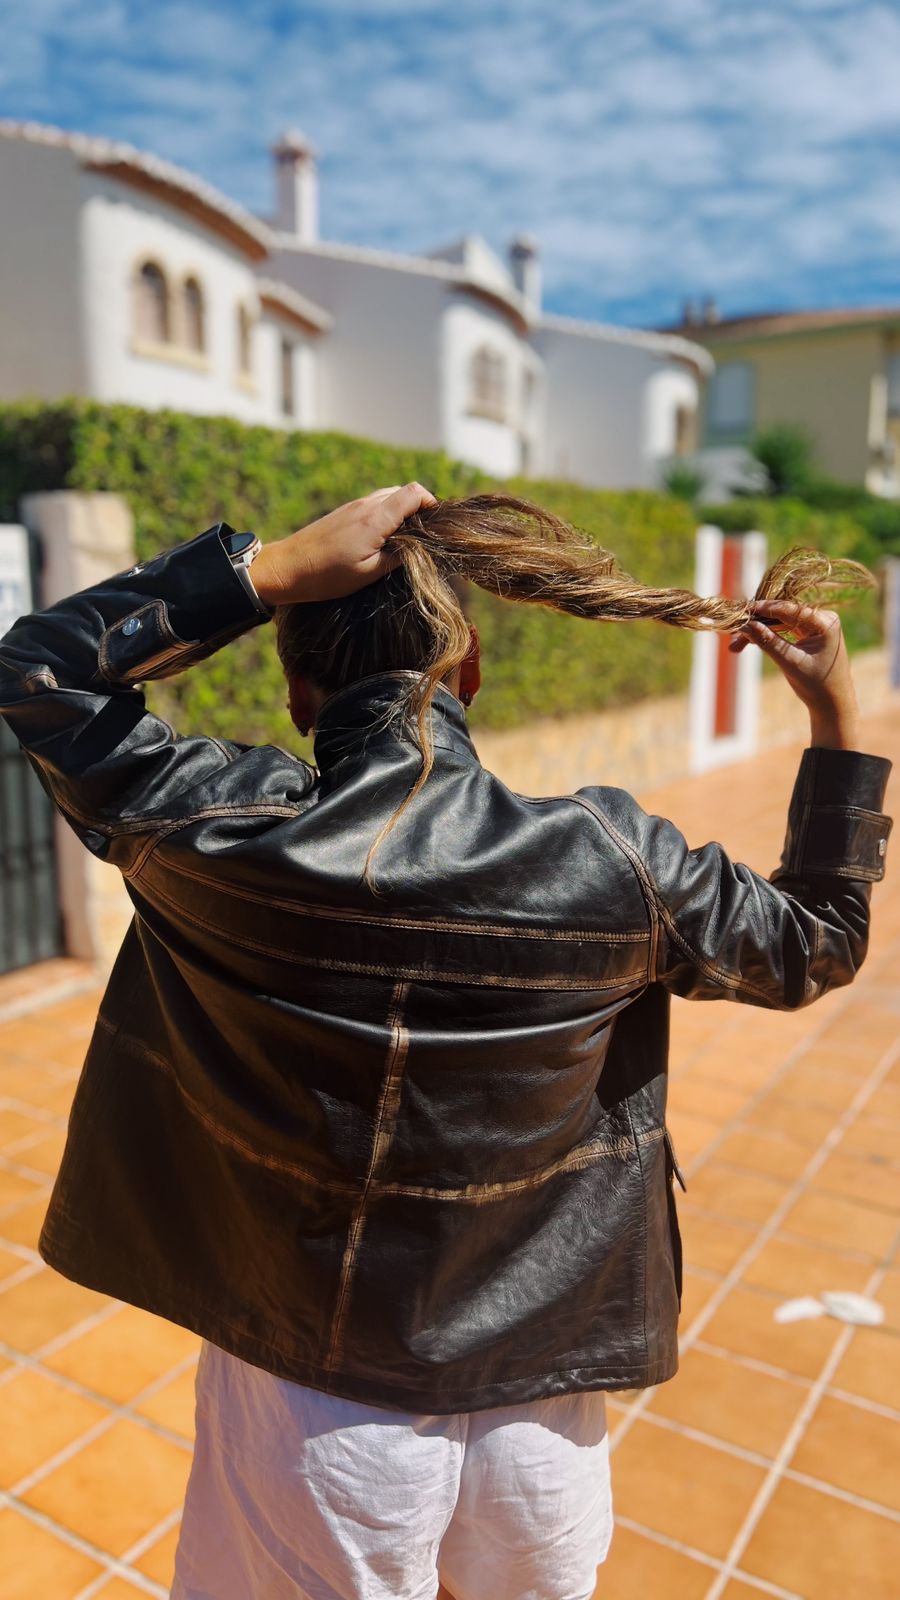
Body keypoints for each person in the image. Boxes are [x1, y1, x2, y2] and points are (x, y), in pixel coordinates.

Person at [0, 484, 892, 1600]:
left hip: (309, 1406)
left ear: (294, 688)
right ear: (468, 669)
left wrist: (263, 570)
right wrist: (835, 720)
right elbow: (820, 940)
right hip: (542, 1406)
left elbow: (37, 670)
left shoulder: (209, 827)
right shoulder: (616, 860)